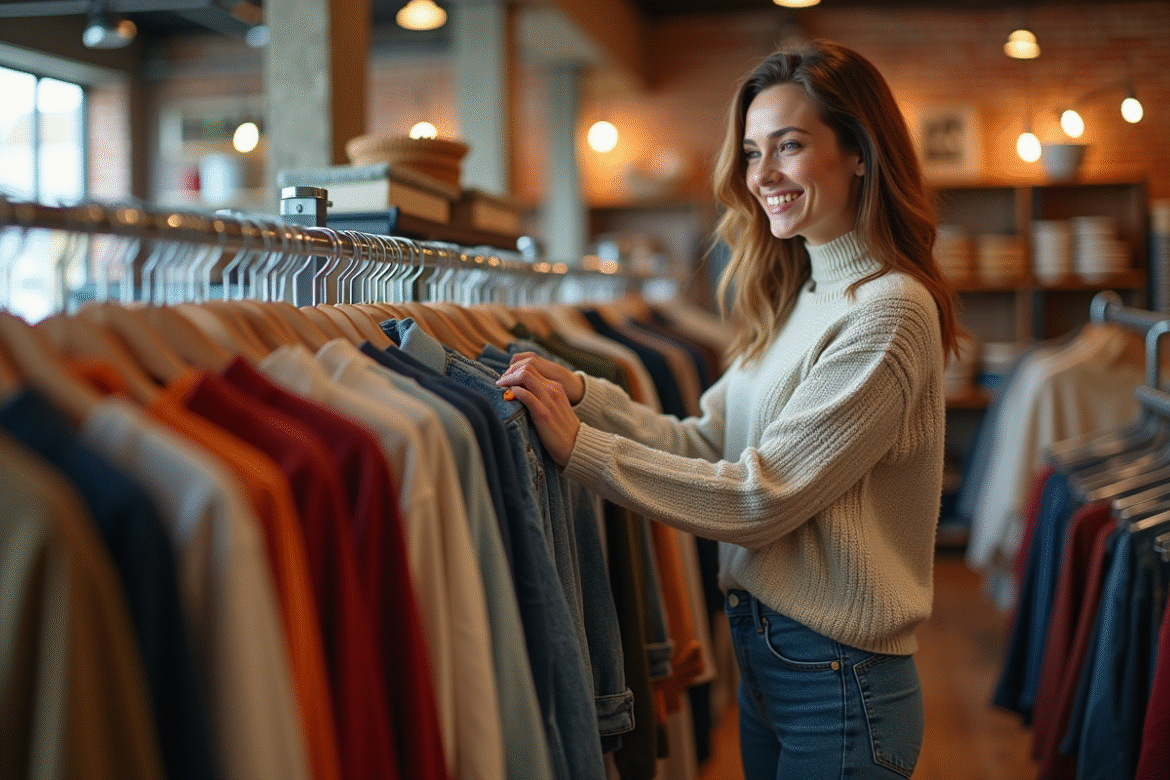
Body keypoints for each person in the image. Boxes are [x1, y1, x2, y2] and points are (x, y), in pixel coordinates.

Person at [497, 38, 962, 780]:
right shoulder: (796, 295)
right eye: (751, 152)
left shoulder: (889, 312)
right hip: (769, 654)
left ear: (860, 154)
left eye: (790, 146)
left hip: (835, 675)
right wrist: (588, 394)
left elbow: (758, 498)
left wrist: (583, 449)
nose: (764, 175)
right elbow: (707, 438)